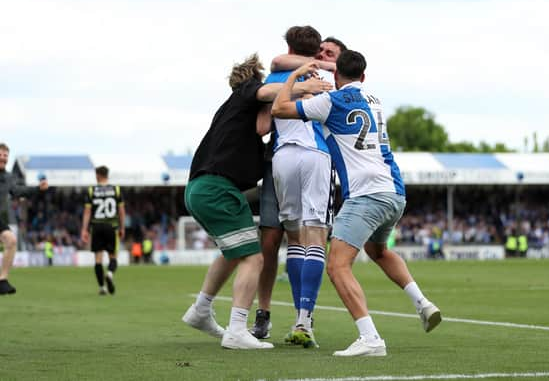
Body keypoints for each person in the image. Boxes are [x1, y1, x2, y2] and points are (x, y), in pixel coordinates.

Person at [272, 51, 441, 357]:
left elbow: (279, 108)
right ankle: (422, 303)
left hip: (366, 194)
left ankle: (370, 338)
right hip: (395, 192)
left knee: (337, 265)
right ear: (363, 76)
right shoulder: (374, 99)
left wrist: (296, 77)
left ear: (336, 76)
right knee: (378, 251)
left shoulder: (330, 101)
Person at [180, 53, 331, 350]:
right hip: (218, 189)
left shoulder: (233, 112)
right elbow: (266, 94)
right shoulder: (247, 91)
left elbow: (262, 127)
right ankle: (237, 329)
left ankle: (200, 310)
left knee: (234, 252)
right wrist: (302, 87)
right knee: (255, 257)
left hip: (204, 189)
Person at [252, 26, 338, 347]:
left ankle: (279, 316)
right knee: (315, 236)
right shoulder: (327, 79)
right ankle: (304, 319)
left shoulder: (275, 79)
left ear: (289, 47)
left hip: (282, 157)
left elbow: (262, 126)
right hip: (317, 155)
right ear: (317, 50)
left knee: (293, 240)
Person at [0, 143, 49, 294]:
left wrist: (37, 189)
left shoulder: (8, 177)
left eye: (6, 155)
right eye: (0, 154)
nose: (3, 157)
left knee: (12, 240)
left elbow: (18, 191)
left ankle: (2, 280)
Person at [81, 166, 126, 295]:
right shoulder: (116, 190)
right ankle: (110, 274)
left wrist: (84, 229)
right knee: (113, 256)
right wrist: (122, 227)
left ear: (98, 175)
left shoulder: (92, 190)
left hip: (96, 226)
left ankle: (102, 287)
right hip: (111, 226)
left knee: (98, 259)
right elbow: (122, 211)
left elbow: (87, 212)